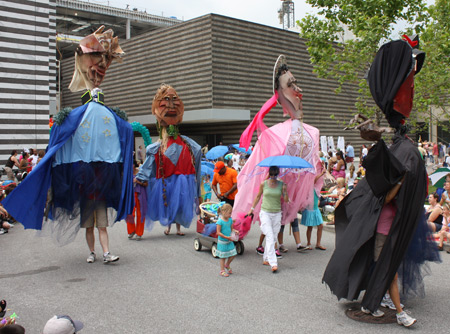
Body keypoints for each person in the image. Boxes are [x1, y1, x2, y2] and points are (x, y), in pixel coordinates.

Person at [323, 35, 439, 327]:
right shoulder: (401, 155)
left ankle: (386, 304)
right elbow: (384, 191)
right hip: (385, 227)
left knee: (389, 267)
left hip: (392, 224)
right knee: (387, 267)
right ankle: (387, 306)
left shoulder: (406, 151)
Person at [2, 26, 134, 265]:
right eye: (96, 56)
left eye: (104, 59)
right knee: (89, 227)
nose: (100, 65)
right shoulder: (72, 118)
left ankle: (105, 253)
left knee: (101, 225)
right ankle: (93, 252)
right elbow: (61, 141)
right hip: (86, 193)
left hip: (100, 193)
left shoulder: (110, 118)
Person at [233, 55, 322, 230]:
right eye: (290, 85)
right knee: (275, 223)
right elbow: (253, 174)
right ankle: (270, 244)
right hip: (274, 199)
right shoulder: (273, 136)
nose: (298, 90)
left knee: (284, 221)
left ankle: (278, 244)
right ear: (279, 94)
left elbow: (313, 167)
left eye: (296, 83)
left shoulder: (313, 133)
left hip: (287, 193)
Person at [136, 84, 202, 237]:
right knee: (169, 203)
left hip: (182, 178)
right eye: (166, 100)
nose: (171, 104)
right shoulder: (156, 148)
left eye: (174, 99)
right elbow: (148, 166)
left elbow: (197, 164)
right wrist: (140, 178)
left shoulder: (191, 147)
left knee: (179, 204)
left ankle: (177, 228)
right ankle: (169, 227)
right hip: (166, 180)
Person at [248, 166, 288, 272]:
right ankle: (273, 263)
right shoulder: (264, 184)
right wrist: (252, 209)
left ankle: (266, 258)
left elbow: (286, 200)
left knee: (273, 237)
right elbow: (258, 196)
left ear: (278, 174)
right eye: (272, 175)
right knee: (270, 236)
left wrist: (285, 190)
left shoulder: (281, 185)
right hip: (265, 212)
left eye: (276, 175)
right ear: (269, 174)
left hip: (277, 213)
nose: (274, 177)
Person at [301, 162, 327, 250]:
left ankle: (318, 243)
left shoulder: (316, 188)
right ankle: (308, 243)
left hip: (315, 208)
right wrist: (320, 174)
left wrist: (323, 168)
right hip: (310, 208)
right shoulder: (310, 185)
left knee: (320, 225)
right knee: (310, 226)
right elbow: (314, 180)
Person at [216, 203, 238, 277]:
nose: (230, 215)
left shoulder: (230, 220)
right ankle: (222, 270)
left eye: (231, 213)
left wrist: (235, 231)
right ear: (223, 212)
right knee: (223, 257)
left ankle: (227, 264)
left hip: (229, 240)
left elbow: (231, 229)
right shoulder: (220, 222)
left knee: (233, 254)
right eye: (229, 213)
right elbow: (218, 232)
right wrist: (226, 237)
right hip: (223, 241)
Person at [126, 161, 146, 241]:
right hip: (131, 195)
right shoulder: (127, 174)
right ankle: (131, 231)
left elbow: (146, 184)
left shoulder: (141, 172)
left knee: (140, 214)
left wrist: (137, 181)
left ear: (134, 165)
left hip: (140, 195)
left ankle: (139, 233)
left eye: (132, 164)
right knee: (130, 213)